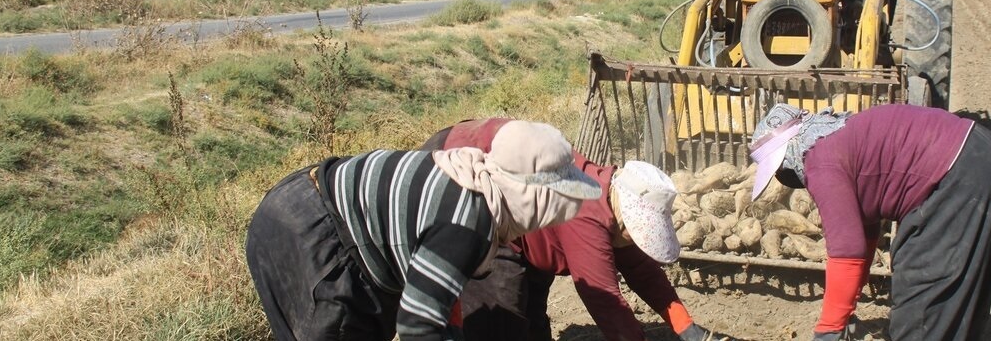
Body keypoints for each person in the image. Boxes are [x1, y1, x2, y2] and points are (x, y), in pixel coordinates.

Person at [245, 120, 603, 341]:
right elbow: (417, 324)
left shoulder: (471, 170)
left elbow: (437, 297)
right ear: (533, 195)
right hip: (311, 239)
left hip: (298, 203)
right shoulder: (468, 222)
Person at [423, 118, 735, 341]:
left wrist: (687, 328)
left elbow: (644, 272)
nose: (636, 244)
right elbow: (604, 300)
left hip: (526, 223)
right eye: (637, 234)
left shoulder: (616, 209)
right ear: (625, 219)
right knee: (502, 321)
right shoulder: (586, 215)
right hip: (466, 179)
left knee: (532, 315)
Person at [748, 104, 991, 341]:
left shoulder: (820, 162)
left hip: (961, 171)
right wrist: (847, 309)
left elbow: (846, 252)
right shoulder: (840, 140)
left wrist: (828, 330)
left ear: (789, 154)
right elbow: (864, 236)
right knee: (959, 287)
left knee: (922, 296)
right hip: (985, 155)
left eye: (781, 168)